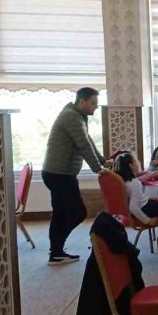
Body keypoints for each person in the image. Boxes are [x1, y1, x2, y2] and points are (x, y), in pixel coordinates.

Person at [42, 87, 107, 265]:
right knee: (77, 212)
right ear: (82, 101)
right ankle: (56, 249)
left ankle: (56, 252)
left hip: (58, 173)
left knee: (61, 213)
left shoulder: (77, 116)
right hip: (60, 174)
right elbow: (83, 145)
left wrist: (102, 161)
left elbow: (88, 141)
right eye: (93, 103)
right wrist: (98, 168)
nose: (96, 107)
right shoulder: (71, 117)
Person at [113, 152, 158, 225]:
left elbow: (134, 197)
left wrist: (148, 199)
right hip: (144, 210)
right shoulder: (135, 183)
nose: (138, 163)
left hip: (143, 206)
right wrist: (148, 221)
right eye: (135, 161)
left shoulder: (125, 181)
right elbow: (133, 207)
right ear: (131, 166)